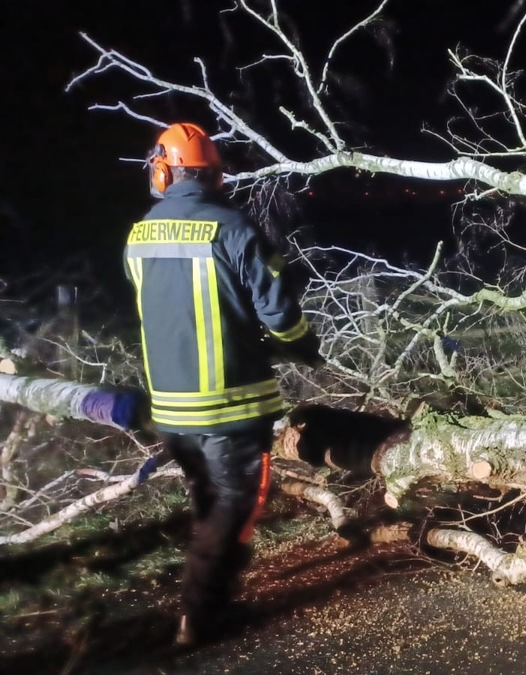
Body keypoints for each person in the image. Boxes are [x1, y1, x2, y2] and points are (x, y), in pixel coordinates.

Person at [124, 122, 322, 646]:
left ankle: (207, 596)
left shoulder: (139, 233)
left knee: (208, 500)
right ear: (215, 176)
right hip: (231, 407)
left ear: (165, 170)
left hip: (171, 411)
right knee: (236, 503)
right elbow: (279, 314)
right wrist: (303, 346)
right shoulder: (234, 229)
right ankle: (200, 613)